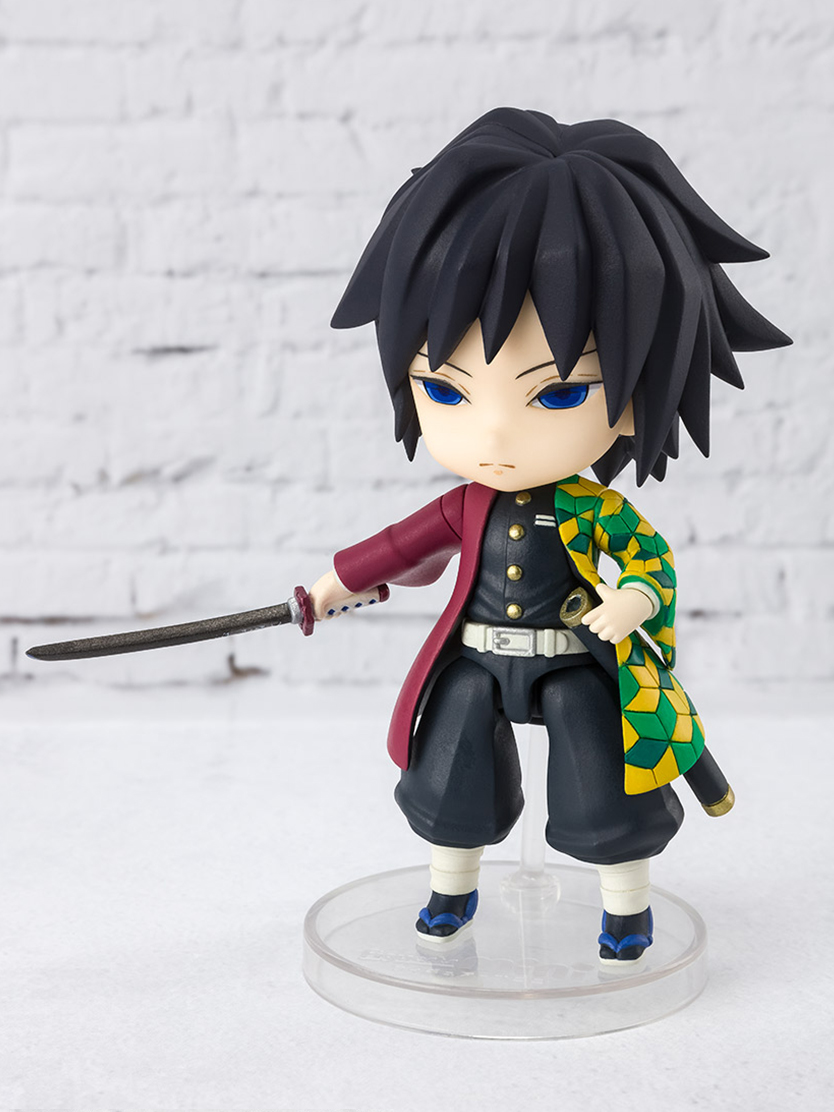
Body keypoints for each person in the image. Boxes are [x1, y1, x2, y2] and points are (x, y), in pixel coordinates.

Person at [308, 108, 790, 964]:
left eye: (560, 393)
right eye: (446, 389)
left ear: (637, 397)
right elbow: (398, 547)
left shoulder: (594, 511)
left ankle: (625, 909)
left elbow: (649, 561)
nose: (495, 436)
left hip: (573, 663)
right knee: (448, 775)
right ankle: (450, 890)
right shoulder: (466, 508)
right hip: (475, 661)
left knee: (605, 789)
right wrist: (331, 588)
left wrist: (632, 599)